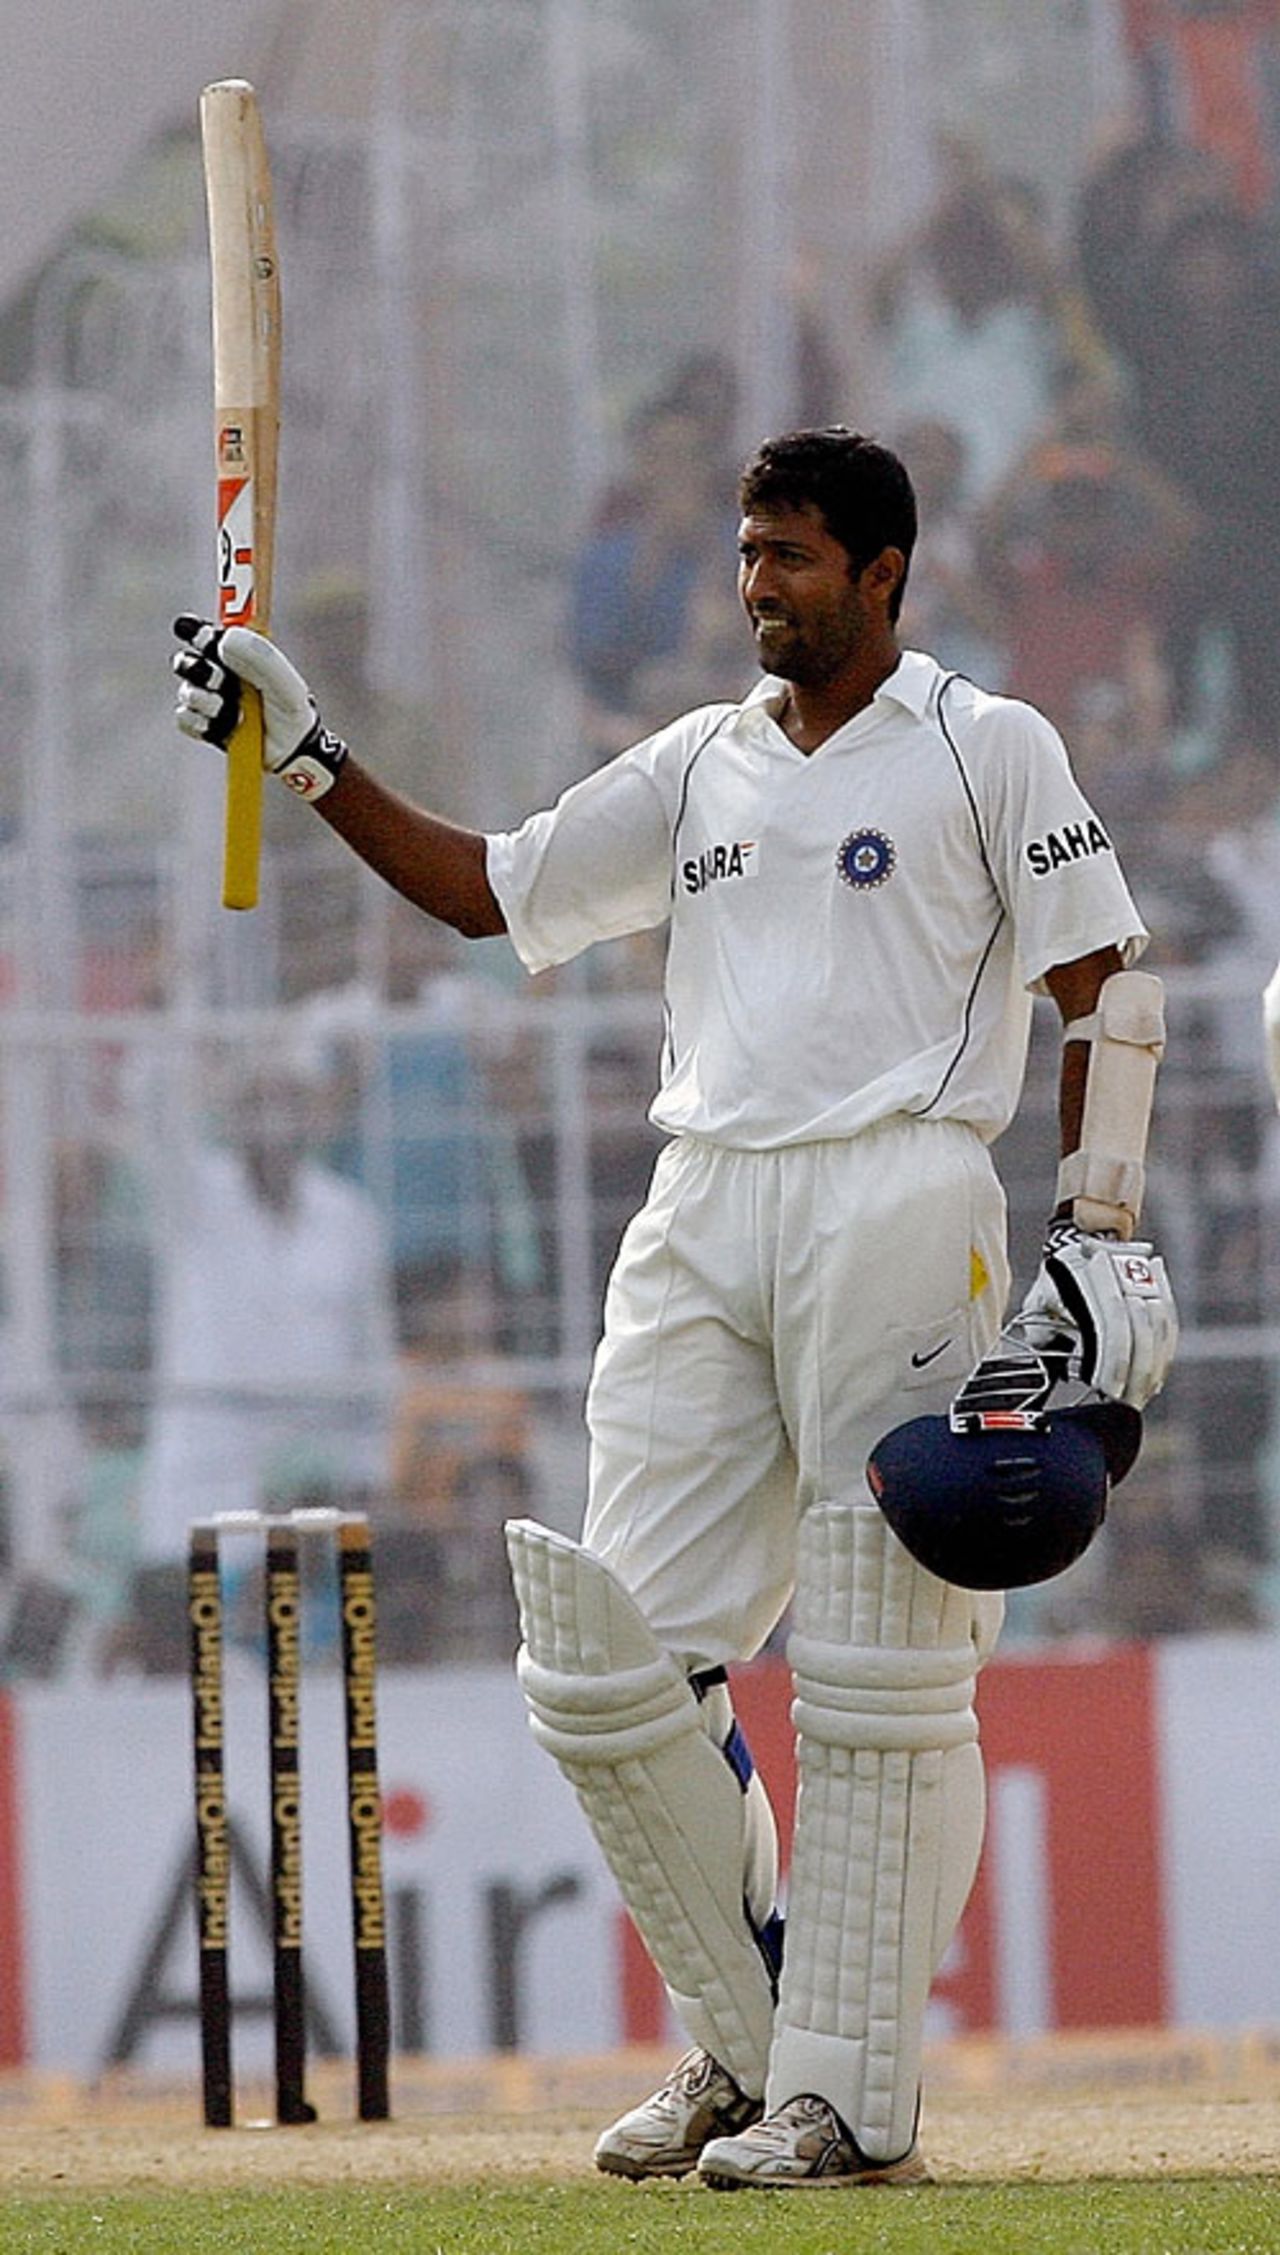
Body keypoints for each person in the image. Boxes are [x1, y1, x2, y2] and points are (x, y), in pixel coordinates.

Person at [171, 427, 1177, 2191]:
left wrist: (1097, 1226)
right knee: (610, 1654)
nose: (757, 587)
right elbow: (492, 891)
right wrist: (307, 754)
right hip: (702, 1196)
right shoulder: (700, 766)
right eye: (746, 554)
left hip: (898, 1182)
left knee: (875, 1660)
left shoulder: (985, 745)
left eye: (792, 556)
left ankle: (845, 2098)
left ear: (882, 574)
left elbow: (1109, 986)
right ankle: (747, 2037)